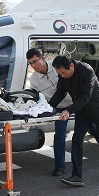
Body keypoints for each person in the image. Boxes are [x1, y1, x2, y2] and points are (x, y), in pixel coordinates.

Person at [48, 55, 99, 186]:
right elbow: (60, 92)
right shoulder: (63, 75)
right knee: (77, 140)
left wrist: (68, 110)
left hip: (97, 108)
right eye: (59, 73)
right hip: (82, 111)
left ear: (71, 66)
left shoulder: (86, 70)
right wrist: (47, 108)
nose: (62, 76)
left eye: (63, 73)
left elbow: (86, 96)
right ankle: (77, 176)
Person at [25, 48, 72, 176]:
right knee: (60, 135)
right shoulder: (34, 80)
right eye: (30, 63)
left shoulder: (57, 67)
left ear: (43, 58)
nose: (33, 66)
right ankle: (60, 166)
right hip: (58, 107)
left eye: (35, 61)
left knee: (94, 126)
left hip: (75, 102)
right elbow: (37, 99)